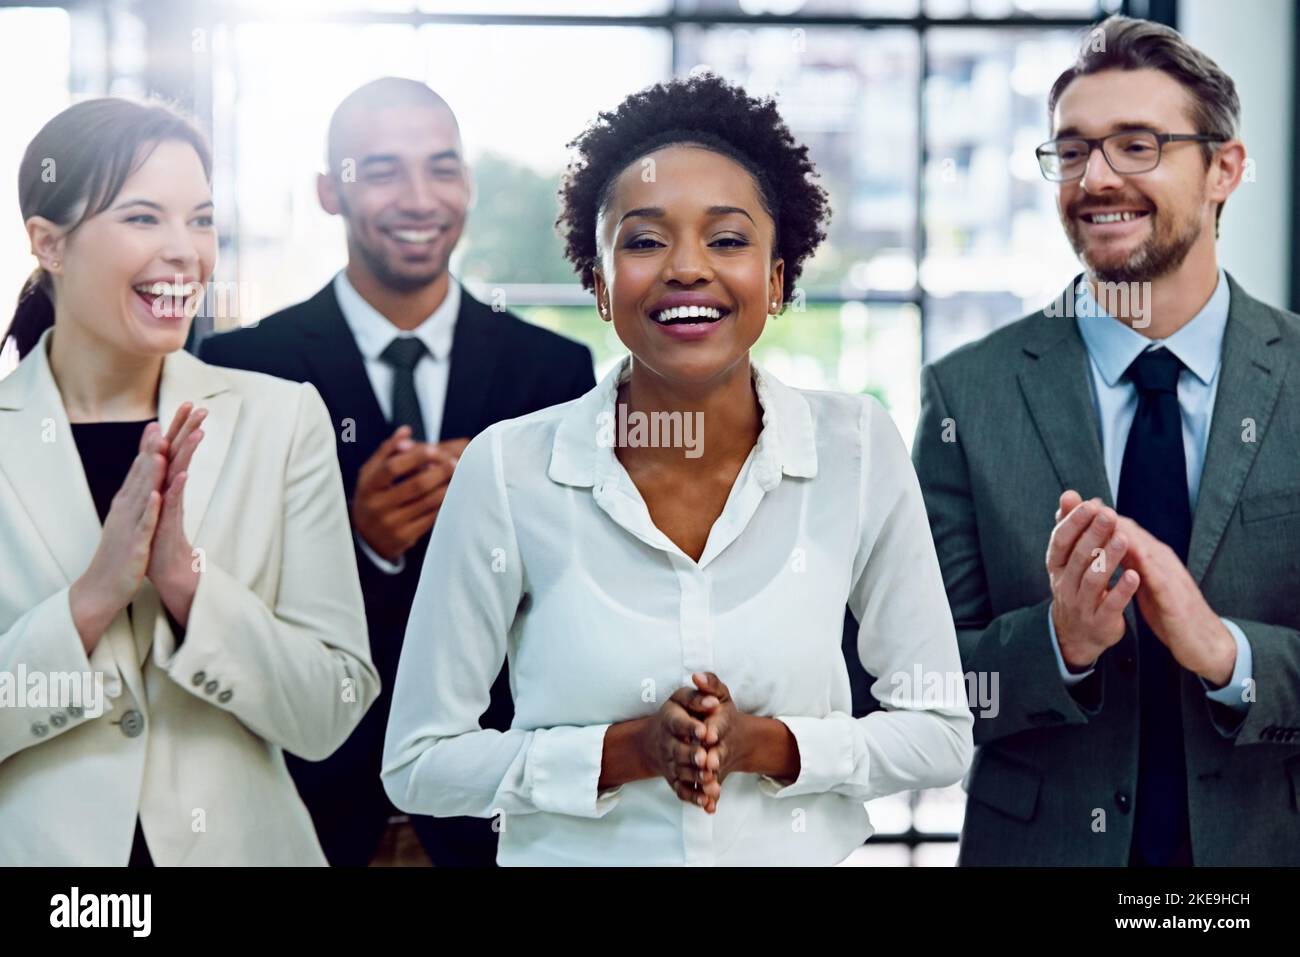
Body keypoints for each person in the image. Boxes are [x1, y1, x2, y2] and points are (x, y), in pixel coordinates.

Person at [382, 73, 973, 866]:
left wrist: (768, 745)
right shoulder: (508, 469)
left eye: (727, 239)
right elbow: (418, 763)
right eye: (644, 239)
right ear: (598, 283)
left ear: (776, 278)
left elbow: (940, 734)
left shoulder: (857, 449)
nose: (686, 267)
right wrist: (625, 752)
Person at [913, 15, 1300, 866]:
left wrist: (1227, 651)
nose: (1097, 178)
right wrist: (1060, 643)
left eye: (1137, 145)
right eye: (1074, 150)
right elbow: (912, 684)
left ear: (1223, 169)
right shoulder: (966, 394)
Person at [198, 78, 595, 867]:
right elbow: (217, 601)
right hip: (308, 812)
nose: (420, 197)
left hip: (500, 818)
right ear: (327, 192)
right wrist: (358, 541)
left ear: (468, 184)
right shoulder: (245, 368)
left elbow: (582, 603)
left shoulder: (553, 371)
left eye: (442, 168)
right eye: (381, 171)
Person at [0, 98, 378, 866]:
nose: (186, 253)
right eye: (143, 218)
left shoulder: (282, 421)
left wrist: (186, 582)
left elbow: (329, 708)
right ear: (49, 243)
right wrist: (90, 600)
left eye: (201, 220)